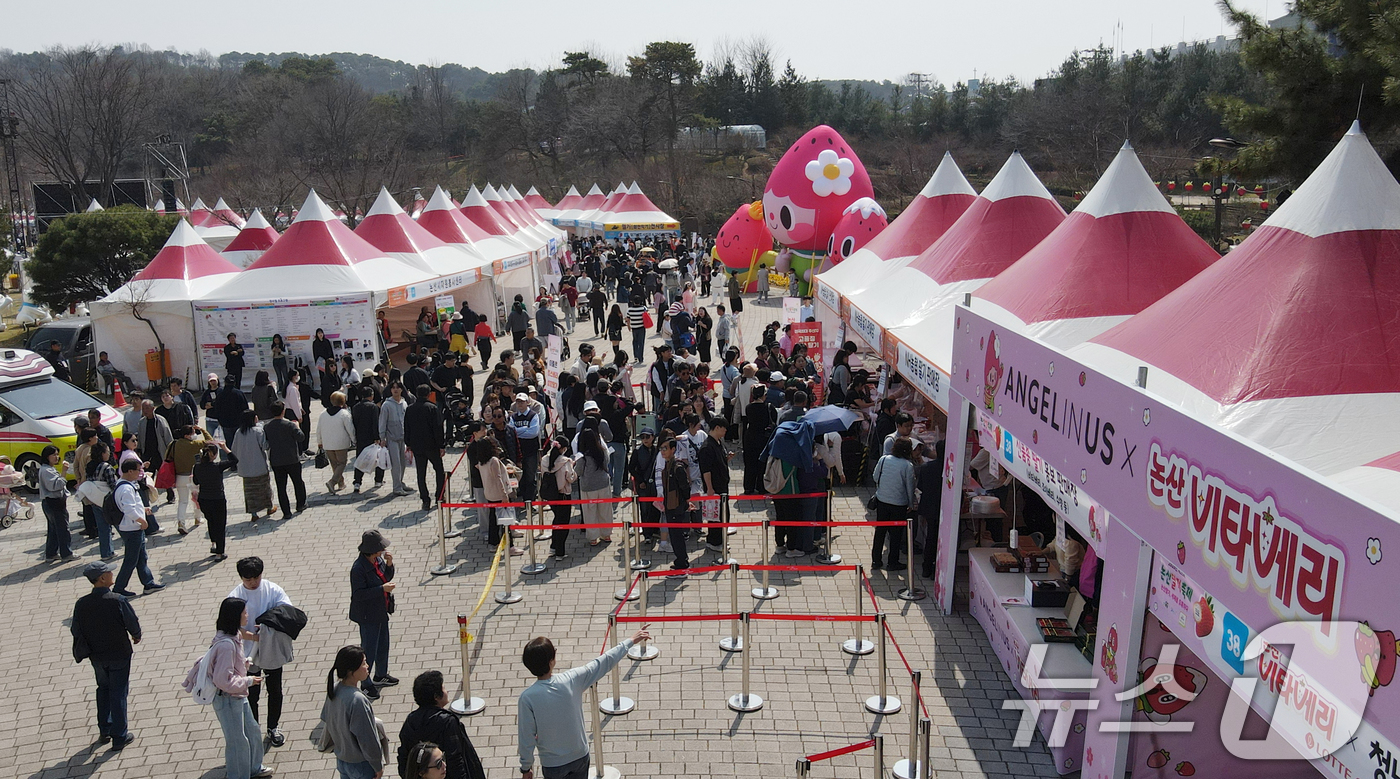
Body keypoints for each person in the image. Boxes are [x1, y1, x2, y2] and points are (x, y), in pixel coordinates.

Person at [517, 627, 651, 779]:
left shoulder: (527, 698)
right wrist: (630, 641)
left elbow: (526, 737)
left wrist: (526, 768)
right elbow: (604, 661)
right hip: (580, 756)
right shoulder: (571, 679)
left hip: (553, 764)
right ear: (551, 661)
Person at [182, 597, 272, 779]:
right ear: (235, 616)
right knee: (237, 741)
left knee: (252, 731)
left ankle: (254, 768)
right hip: (227, 699)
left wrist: (243, 664)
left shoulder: (232, 636)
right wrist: (248, 681)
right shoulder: (226, 646)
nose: (247, 615)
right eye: (244, 613)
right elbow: (222, 680)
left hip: (236, 696)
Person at [71, 560, 140, 751]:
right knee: (119, 692)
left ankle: (105, 729)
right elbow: (132, 622)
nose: (111, 574)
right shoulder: (117, 600)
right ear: (102, 578)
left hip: (97, 657)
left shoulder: (81, 603)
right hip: (119, 654)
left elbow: (76, 629)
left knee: (103, 689)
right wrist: (136, 635)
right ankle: (119, 736)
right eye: (109, 572)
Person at [228, 556, 294, 747]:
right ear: (241, 578)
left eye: (256, 578)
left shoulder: (273, 590)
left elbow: (287, 612)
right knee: (252, 694)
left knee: (275, 690)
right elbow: (230, 627)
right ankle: (253, 729)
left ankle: (273, 727)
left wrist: (269, 626)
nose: (253, 582)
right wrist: (253, 637)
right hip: (246, 654)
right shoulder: (235, 597)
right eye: (248, 579)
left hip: (271, 650)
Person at [398, 671, 487, 779]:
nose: (446, 691)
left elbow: (404, 756)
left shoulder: (411, 720)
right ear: (436, 696)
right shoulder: (448, 722)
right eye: (444, 688)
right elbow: (456, 759)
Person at [321, 645, 385, 778]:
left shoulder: (334, 689)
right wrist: (377, 765)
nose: (367, 666)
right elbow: (367, 738)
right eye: (364, 663)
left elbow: (326, 718)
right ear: (351, 671)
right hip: (362, 765)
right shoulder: (357, 700)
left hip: (342, 760)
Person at [349, 530, 396, 700]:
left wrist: (389, 564)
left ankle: (380, 675)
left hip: (380, 611)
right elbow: (359, 594)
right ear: (372, 550)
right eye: (380, 548)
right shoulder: (358, 569)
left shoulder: (378, 561)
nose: (383, 550)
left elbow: (386, 578)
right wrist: (381, 589)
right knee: (368, 650)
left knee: (383, 644)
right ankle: (366, 684)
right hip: (367, 615)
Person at [111, 459, 163, 596]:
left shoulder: (123, 484)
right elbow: (128, 509)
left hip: (132, 527)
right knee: (131, 560)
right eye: (138, 470)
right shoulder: (126, 488)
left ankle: (148, 583)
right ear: (130, 471)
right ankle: (119, 588)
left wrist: (143, 509)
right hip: (132, 529)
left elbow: (131, 506)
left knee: (141, 558)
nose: (141, 472)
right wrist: (142, 521)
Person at [871, 437, 917, 570]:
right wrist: (910, 503)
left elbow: (875, 476)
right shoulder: (907, 466)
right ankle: (892, 562)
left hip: (882, 500)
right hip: (899, 504)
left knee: (880, 531)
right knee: (896, 534)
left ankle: (876, 560)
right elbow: (910, 487)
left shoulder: (884, 459)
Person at [405, 385, 446, 511]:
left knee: (421, 473)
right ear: (429, 394)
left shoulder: (410, 409)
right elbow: (438, 428)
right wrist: (441, 445)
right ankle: (440, 496)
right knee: (439, 470)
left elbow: (406, 427)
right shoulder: (432, 408)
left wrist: (408, 443)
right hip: (432, 445)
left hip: (417, 445)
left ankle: (425, 500)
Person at [193, 443, 237, 560]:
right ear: (214, 455)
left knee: (211, 522)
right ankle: (219, 553)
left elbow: (196, 481)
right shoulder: (218, 466)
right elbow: (234, 460)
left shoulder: (197, 467)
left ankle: (213, 544)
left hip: (204, 499)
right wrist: (225, 448)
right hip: (217, 499)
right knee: (220, 526)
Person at [230, 410, 276, 522]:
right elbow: (264, 446)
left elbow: (234, 449)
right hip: (258, 465)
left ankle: (254, 514)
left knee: (250, 492)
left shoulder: (239, 432)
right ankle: (269, 508)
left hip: (245, 467)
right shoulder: (258, 431)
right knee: (264, 488)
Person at [264, 402, 306, 517]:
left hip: (276, 460)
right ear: (283, 411)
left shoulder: (267, 426)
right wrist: (297, 426)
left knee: (281, 487)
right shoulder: (290, 425)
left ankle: (286, 512)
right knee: (298, 482)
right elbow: (301, 437)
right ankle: (300, 504)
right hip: (292, 459)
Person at [658, 438, 693, 574]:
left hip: (676, 506)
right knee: (674, 535)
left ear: (673, 450)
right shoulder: (668, 464)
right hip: (669, 505)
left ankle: (682, 562)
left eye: (665, 448)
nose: (662, 451)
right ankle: (681, 560)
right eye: (661, 448)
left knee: (677, 536)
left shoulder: (677, 467)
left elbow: (685, 487)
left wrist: (686, 502)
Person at [168, 424, 210, 534]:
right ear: (187, 436)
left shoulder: (174, 444)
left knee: (183, 501)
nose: (194, 435)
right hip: (193, 476)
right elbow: (210, 441)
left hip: (179, 477)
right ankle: (198, 518)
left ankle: (181, 523)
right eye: (193, 433)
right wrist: (202, 430)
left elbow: (167, 457)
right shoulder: (195, 444)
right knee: (197, 498)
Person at [697, 418, 731, 552]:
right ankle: (714, 542)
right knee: (715, 516)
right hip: (714, 487)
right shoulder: (707, 447)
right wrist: (709, 488)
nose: (725, 431)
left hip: (722, 485)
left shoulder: (719, 442)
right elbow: (706, 470)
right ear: (717, 428)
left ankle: (720, 539)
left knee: (723, 514)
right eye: (723, 428)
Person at [539, 436, 576, 560]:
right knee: (563, 523)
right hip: (563, 495)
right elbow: (571, 478)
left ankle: (553, 547)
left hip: (550, 494)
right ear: (564, 448)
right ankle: (560, 552)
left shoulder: (544, 460)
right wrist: (573, 467)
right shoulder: (565, 461)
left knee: (556, 520)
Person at [574, 428, 612, 546]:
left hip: (588, 487)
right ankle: (606, 534)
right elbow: (607, 463)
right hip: (603, 484)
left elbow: (578, 472)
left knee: (590, 512)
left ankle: (593, 537)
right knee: (605, 510)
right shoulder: (602, 452)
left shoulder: (582, 456)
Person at [37, 444, 73, 561]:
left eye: (57, 454)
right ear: (47, 456)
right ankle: (66, 554)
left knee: (53, 530)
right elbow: (56, 486)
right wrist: (64, 472)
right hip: (53, 503)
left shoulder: (48, 469)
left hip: (52, 503)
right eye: (53, 455)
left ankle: (51, 553)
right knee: (62, 529)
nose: (56, 457)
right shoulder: (46, 470)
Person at [318, 391, 357, 494]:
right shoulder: (344, 414)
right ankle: (332, 482)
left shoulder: (323, 413)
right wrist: (354, 440)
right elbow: (350, 429)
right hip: (341, 443)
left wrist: (319, 441)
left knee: (334, 464)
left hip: (327, 443)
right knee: (342, 463)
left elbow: (318, 429)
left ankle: (341, 483)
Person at [379, 381, 412, 496]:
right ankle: (396, 487)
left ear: (402, 389)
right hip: (391, 438)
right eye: (393, 388)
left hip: (403, 437)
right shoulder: (386, 405)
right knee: (396, 463)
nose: (395, 389)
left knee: (403, 463)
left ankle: (400, 482)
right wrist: (382, 437)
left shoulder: (404, 403)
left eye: (398, 387)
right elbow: (382, 422)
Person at [741, 385, 775, 495]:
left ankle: (748, 487)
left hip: (750, 437)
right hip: (763, 437)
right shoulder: (768, 407)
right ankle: (761, 486)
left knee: (750, 463)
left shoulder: (748, 407)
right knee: (762, 463)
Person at [351, 387, 383, 494]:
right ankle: (378, 480)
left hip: (360, 437)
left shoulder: (355, 407)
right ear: (371, 395)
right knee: (378, 458)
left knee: (360, 459)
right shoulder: (373, 407)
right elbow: (375, 423)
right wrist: (377, 437)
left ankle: (357, 482)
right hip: (371, 437)